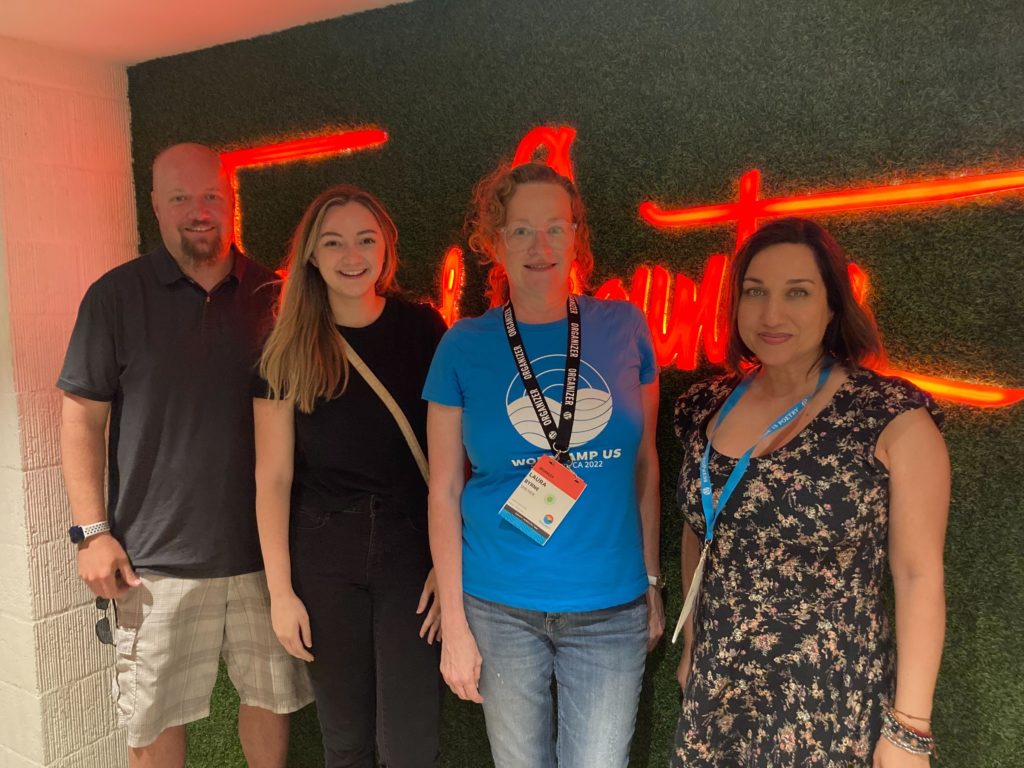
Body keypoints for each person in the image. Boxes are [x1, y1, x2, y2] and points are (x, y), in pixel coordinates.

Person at [58, 143, 312, 768]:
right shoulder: (115, 297)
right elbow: (82, 420)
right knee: (152, 722)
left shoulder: (277, 298)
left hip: (265, 560)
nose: (198, 212)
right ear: (155, 205)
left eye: (210, 197)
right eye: (180, 198)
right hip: (154, 564)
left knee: (271, 706)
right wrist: (92, 534)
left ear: (230, 202)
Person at [670, 217, 949, 766]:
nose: (772, 315)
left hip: (829, 701)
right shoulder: (705, 406)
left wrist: (909, 729)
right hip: (719, 689)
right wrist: (695, 642)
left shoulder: (890, 416)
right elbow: (698, 529)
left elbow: (919, 576)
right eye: (755, 293)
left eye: (797, 292)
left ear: (832, 304)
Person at [423, 161, 665, 768]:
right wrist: (454, 622)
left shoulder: (624, 328)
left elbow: (645, 466)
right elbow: (444, 489)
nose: (539, 245)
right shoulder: (463, 344)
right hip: (499, 606)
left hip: (610, 609)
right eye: (521, 230)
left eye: (555, 228)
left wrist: (654, 582)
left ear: (577, 237)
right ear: (495, 243)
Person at [254, 185, 447, 768]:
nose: (351, 254)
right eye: (333, 242)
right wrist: (281, 593)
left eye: (366, 239)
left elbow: (449, 464)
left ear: (386, 247)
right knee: (344, 741)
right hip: (322, 556)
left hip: (410, 553)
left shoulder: (424, 330)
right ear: (311, 254)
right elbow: (273, 478)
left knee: (409, 743)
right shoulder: (285, 347)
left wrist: (447, 560)